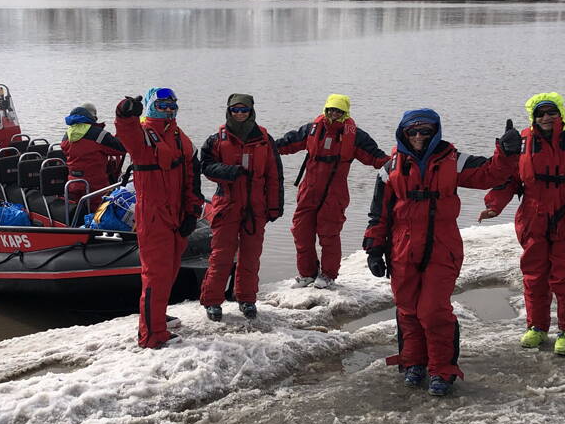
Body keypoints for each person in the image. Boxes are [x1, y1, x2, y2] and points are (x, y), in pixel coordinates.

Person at [364, 110, 521, 396]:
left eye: (425, 131)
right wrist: (374, 247)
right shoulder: (389, 168)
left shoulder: (454, 160)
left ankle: (443, 371)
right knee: (408, 309)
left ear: (435, 132)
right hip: (402, 248)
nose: (419, 137)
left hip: (442, 245)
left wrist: (507, 152)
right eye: (412, 132)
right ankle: (414, 364)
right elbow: (379, 213)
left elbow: (490, 173)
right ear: (403, 134)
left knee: (433, 309)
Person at [479, 92, 565, 357]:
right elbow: (508, 180)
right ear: (533, 117)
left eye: (551, 112)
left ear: (560, 113)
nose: (546, 117)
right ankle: (537, 327)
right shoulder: (522, 142)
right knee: (534, 277)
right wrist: (494, 205)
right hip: (533, 216)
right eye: (540, 113)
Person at [113, 87, 203, 349]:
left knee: (171, 268)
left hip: (177, 212)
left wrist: (192, 210)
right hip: (153, 215)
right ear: (152, 105)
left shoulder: (178, 135)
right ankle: (152, 334)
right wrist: (124, 111)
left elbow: (190, 176)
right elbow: (125, 131)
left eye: (172, 104)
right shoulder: (143, 135)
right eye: (162, 105)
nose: (168, 109)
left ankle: (158, 315)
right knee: (156, 273)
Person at [276, 94, 388, 289]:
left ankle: (328, 275)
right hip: (308, 191)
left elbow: (376, 157)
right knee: (301, 232)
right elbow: (287, 143)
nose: (334, 114)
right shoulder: (312, 129)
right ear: (325, 110)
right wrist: (263, 146)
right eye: (331, 110)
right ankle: (307, 274)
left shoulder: (355, 136)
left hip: (334, 194)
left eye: (339, 111)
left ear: (346, 113)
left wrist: (401, 164)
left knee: (329, 235)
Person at [199, 94, 284, 321]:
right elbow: (204, 166)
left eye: (243, 110)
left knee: (251, 257)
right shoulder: (216, 139)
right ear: (228, 111)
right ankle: (212, 301)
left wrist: (275, 206)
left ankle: (246, 299)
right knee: (221, 256)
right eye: (235, 110)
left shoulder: (265, 139)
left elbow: (275, 175)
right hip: (227, 206)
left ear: (251, 111)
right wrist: (229, 171)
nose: (239, 114)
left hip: (256, 209)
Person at [61, 103, 126, 203]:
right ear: (93, 117)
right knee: (99, 211)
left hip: (73, 185)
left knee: (80, 210)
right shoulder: (99, 134)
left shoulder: (67, 134)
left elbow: (65, 151)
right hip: (96, 187)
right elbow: (121, 148)